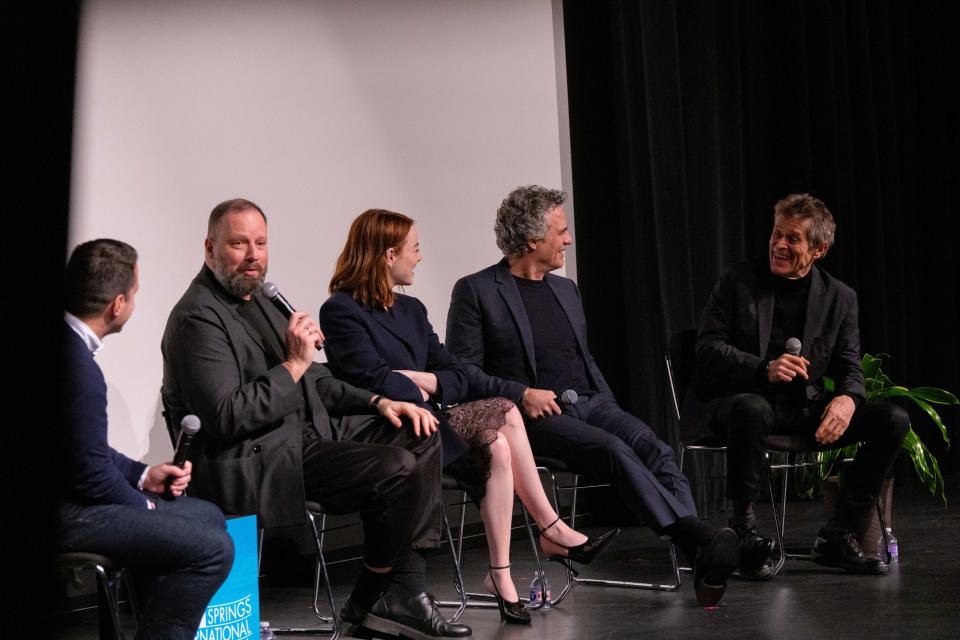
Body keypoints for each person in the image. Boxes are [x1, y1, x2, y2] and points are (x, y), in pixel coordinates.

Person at [161, 199, 471, 639]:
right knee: (395, 469)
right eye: (238, 244)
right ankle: (373, 596)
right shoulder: (197, 318)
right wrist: (292, 365)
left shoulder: (263, 301)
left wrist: (378, 401)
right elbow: (228, 416)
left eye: (261, 243)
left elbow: (315, 379)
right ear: (210, 247)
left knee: (418, 428)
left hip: (304, 434)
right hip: (257, 455)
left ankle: (402, 593)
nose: (253, 255)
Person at [320, 209, 618, 625]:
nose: (419, 258)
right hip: (386, 431)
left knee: (498, 440)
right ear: (389, 255)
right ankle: (549, 529)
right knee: (504, 420)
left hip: (433, 420)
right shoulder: (340, 311)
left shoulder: (413, 309)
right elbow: (368, 380)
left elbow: (457, 373)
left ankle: (503, 573)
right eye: (415, 249)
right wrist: (415, 385)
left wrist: (418, 379)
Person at [445, 185, 738, 607]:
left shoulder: (565, 289)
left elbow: (583, 357)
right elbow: (463, 373)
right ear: (531, 240)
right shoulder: (477, 291)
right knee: (614, 450)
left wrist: (607, 403)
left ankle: (696, 549)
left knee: (654, 448)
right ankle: (698, 538)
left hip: (591, 403)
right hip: (531, 420)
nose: (568, 239)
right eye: (560, 232)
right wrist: (522, 393)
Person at [684, 193, 909, 576]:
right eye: (776, 234)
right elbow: (706, 349)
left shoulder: (840, 298)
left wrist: (849, 399)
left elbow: (850, 367)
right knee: (752, 408)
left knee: (893, 419)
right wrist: (762, 369)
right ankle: (744, 532)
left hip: (802, 408)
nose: (779, 245)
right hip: (740, 403)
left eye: (792, 239)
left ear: (818, 250)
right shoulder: (738, 282)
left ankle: (838, 534)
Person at [58, 239, 234, 640]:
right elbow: (89, 477)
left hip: (74, 500)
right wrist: (144, 506)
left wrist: (142, 475)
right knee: (212, 548)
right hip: (68, 513)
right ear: (117, 304)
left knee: (206, 516)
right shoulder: (79, 370)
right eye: (135, 293)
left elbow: (87, 449)